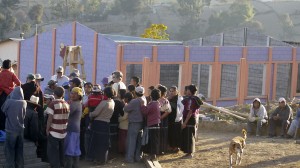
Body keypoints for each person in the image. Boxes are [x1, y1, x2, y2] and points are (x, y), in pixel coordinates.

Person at [1, 87, 27, 168]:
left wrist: (8, 97)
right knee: (19, 151)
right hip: (20, 130)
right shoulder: (24, 102)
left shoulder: (9, 101)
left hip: (10, 130)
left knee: (9, 151)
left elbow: (3, 109)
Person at [89, 87, 115, 165]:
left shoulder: (104, 102)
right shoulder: (112, 102)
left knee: (97, 143)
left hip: (99, 124)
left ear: (106, 93)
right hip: (106, 124)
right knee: (104, 143)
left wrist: (89, 114)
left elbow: (95, 113)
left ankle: (97, 160)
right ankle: (103, 159)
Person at [46, 86, 70, 168]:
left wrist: (47, 129)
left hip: (54, 132)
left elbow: (50, 119)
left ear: (54, 94)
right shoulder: (67, 104)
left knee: (53, 153)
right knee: (61, 152)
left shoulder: (53, 104)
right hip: (63, 132)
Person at [124, 86, 146, 163]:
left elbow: (126, 109)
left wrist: (125, 104)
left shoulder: (134, 101)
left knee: (131, 141)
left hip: (134, 123)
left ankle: (130, 158)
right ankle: (138, 157)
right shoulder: (144, 100)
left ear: (135, 93)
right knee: (139, 141)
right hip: (141, 123)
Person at [181, 84, 202, 158]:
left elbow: (190, 112)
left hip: (190, 119)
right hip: (186, 118)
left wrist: (185, 122)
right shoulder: (188, 98)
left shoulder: (193, 100)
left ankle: (190, 153)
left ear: (190, 91)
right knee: (187, 135)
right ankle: (187, 152)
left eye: (188, 90)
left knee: (190, 136)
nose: (186, 91)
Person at [0, 59, 21, 131]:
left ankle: (1, 128)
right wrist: (13, 87)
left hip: (1, 95)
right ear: (10, 66)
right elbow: (19, 83)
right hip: (10, 95)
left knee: (1, 111)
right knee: (9, 112)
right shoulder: (11, 74)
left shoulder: (0, 74)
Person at [140, 88, 161, 161]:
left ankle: (153, 155)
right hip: (156, 123)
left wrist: (142, 105)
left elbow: (145, 111)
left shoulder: (152, 104)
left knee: (152, 140)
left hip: (152, 124)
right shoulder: (157, 103)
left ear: (151, 96)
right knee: (155, 140)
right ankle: (153, 154)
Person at [65, 87, 83, 168]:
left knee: (70, 149)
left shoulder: (74, 104)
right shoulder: (78, 103)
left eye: (75, 94)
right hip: (76, 129)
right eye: (72, 93)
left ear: (79, 96)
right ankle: (75, 165)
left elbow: (67, 113)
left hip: (71, 129)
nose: (72, 95)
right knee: (75, 150)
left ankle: (69, 165)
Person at [110, 89, 126, 156]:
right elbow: (122, 113)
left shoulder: (107, 101)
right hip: (116, 121)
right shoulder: (119, 103)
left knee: (109, 136)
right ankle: (114, 152)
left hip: (108, 121)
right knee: (114, 137)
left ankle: (110, 151)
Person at [168, 86, 184, 152]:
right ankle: (171, 146)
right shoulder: (169, 98)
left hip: (177, 118)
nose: (171, 92)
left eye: (173, 91)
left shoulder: (179, 99)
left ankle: (176, 147)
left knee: (176, 134)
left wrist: (169, 103)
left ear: (176, 91)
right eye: (170, 91)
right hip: (170, 118)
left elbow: (179, 108)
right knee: (171, 133)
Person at [157, 84, 171, 154]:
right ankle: (161, 149)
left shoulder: (156, 100)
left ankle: (157, 149)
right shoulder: (165, 101)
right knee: (163, 135)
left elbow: (167, 111)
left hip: (158, 117)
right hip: (163, 118)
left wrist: (159, 117)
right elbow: (168, 111)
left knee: (158, 134)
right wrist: (161, 118)